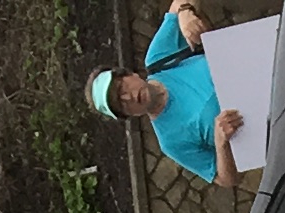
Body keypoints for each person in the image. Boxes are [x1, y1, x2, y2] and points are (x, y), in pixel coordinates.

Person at [90, 3, 238, 186]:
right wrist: (221, 144)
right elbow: (226, 180)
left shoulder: (159, 58)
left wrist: (184, 13)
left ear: (130, 74)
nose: (128, 97)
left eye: (121, 88)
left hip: (265, 63)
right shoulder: (171, 140)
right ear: (129, 115)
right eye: (121, 104)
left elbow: (179, 4)